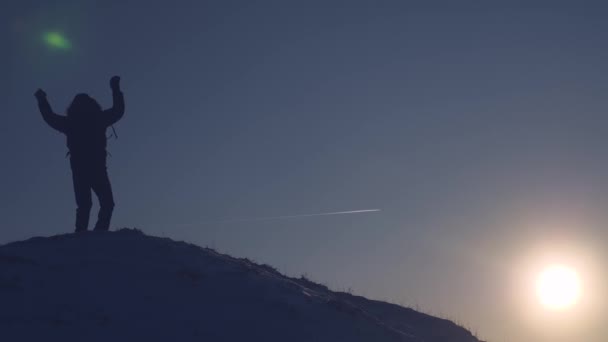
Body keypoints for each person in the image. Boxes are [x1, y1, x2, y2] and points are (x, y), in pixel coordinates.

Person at [35, 76, 125, 232]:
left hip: (80, 169)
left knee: (85, 205)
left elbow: (49, 117)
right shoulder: (98, 118)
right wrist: (115, 88)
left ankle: (82, 236)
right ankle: (97, 233)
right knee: (106, 203)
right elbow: (118, 110)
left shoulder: (71, 122)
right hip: (96, 168)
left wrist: (42, 99)